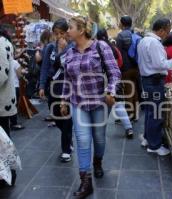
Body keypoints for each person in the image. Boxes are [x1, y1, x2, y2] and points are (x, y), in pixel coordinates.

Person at [61, 16, 120, 198]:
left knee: (99, 138)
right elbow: (67, 78)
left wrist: (111, 91)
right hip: (78, 103)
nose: (67, 31)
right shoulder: (70, 52)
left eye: (70, 28)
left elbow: (114, 72)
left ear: (81, 30)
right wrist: (63, 99)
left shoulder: (100, 47)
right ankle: (86, 182)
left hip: (99, 102)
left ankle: (97, 162)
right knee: (83, 140)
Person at [137, 18, 172, 156]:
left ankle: (148, 139)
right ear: (162, 29)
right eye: (168, 31)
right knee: (156, 113)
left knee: (150, 111)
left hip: (147, 81)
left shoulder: (144, 41)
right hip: (154, 81)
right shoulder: (154, 42)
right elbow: (160, 64)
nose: (168, 34)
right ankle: (154, 145)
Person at [39, 19, 74, 163]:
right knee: (56, 116)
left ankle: (66, 149)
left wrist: (63, 50)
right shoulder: (49, 48)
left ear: (66, 33)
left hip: (66, 88)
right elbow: (45, 67)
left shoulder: (72, 48)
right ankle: (68, 138)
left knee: (66, 118)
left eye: (61, 33)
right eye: (56, 33)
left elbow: (69, 68)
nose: (58, 36)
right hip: (52, 87)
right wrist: (41, 86)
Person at [97, 28, 134, 139]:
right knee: (117, 104)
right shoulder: (113, 47)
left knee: (108, 105)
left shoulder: (99, 47)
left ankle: (101, 131)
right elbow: (120, 62)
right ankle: (129, 128)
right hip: (115, 80)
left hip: (106, 82)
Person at [0, 25, 17, 187]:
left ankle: (9, 173)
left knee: (4, 140)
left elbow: (1, 74)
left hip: (2, 101)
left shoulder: (1, 43)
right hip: (4, 100)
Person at [116, 15, 140, 121]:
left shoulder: (120, 36)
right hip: (136, 67)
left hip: (125, 68)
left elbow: (119, 54)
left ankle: (129, 115)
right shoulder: (136, 35)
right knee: (134, 90)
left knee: (127, 91)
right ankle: (135, 113)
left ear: (122, 23)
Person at [9, 58, 27, 131]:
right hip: (14, 86)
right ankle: (14, 123)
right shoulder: (14, 62)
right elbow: (19, 75)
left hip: (6, 88)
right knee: (14, 105)